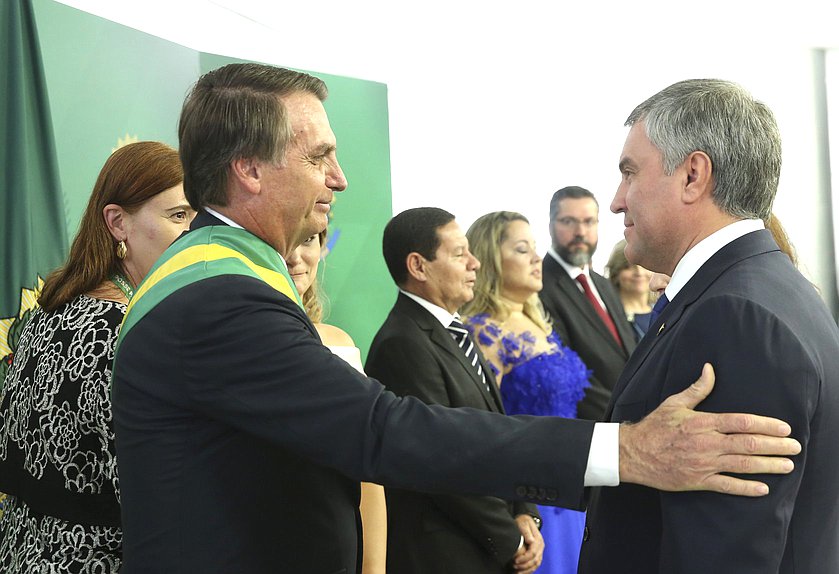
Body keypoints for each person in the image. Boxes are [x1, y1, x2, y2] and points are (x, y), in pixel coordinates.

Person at [110, 63, 800, 574]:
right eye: (319, 156)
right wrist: (623, 451)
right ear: (249, 171)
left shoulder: (219, 279)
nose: (339, 178)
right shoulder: (218, 299)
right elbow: (383, 430)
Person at [579, 79, 839, 574]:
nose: (617, 200)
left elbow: (724, 550)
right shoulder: (769, 288)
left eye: (630, 173)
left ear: (693, 175)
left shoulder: (734, 317)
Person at [0, 141, 194, 572]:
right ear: (117, 223)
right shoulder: (131, 332)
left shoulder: (48, 310)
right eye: (178, 215)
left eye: (197, 217)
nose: (192, 234)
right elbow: (153, 497)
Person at [365, 207, 544, 574]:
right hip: (446, 553)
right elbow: (441, 458)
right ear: (418, 266)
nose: (475, 263)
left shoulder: (452, 330)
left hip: (482, 544)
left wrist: (525, 511)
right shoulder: (402, 343)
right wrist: (507, 536)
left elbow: (495, 434)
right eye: (460, 253)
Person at [461, 211, 590, 574]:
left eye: (535, 248)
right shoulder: (480, 332)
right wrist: (518, 511)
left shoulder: (537, 321)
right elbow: (485, 428)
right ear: (488, 260)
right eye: (522, 249)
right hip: (530, 498)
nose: (537, 258)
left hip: (570, 487)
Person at [286, 229, 387, 574]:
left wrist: (374, 568)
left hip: (338, 547)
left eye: (308, 239)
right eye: (281, 242)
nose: (295, 256)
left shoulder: (340, 344)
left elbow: (368, 474)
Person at [539, 186, 637, 420]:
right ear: (550, 225)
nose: (580, 231)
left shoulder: (604, 285)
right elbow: (567, 376)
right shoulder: (538, 287)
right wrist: (628, 420)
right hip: (593, 431)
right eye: (568, 221)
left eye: (589, 222)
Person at [604, 239, 656, 340]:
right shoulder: (608, 316)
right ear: (616, 273)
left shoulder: (664, 311)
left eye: (645, 265)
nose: (639, 273)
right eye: (628, 267)